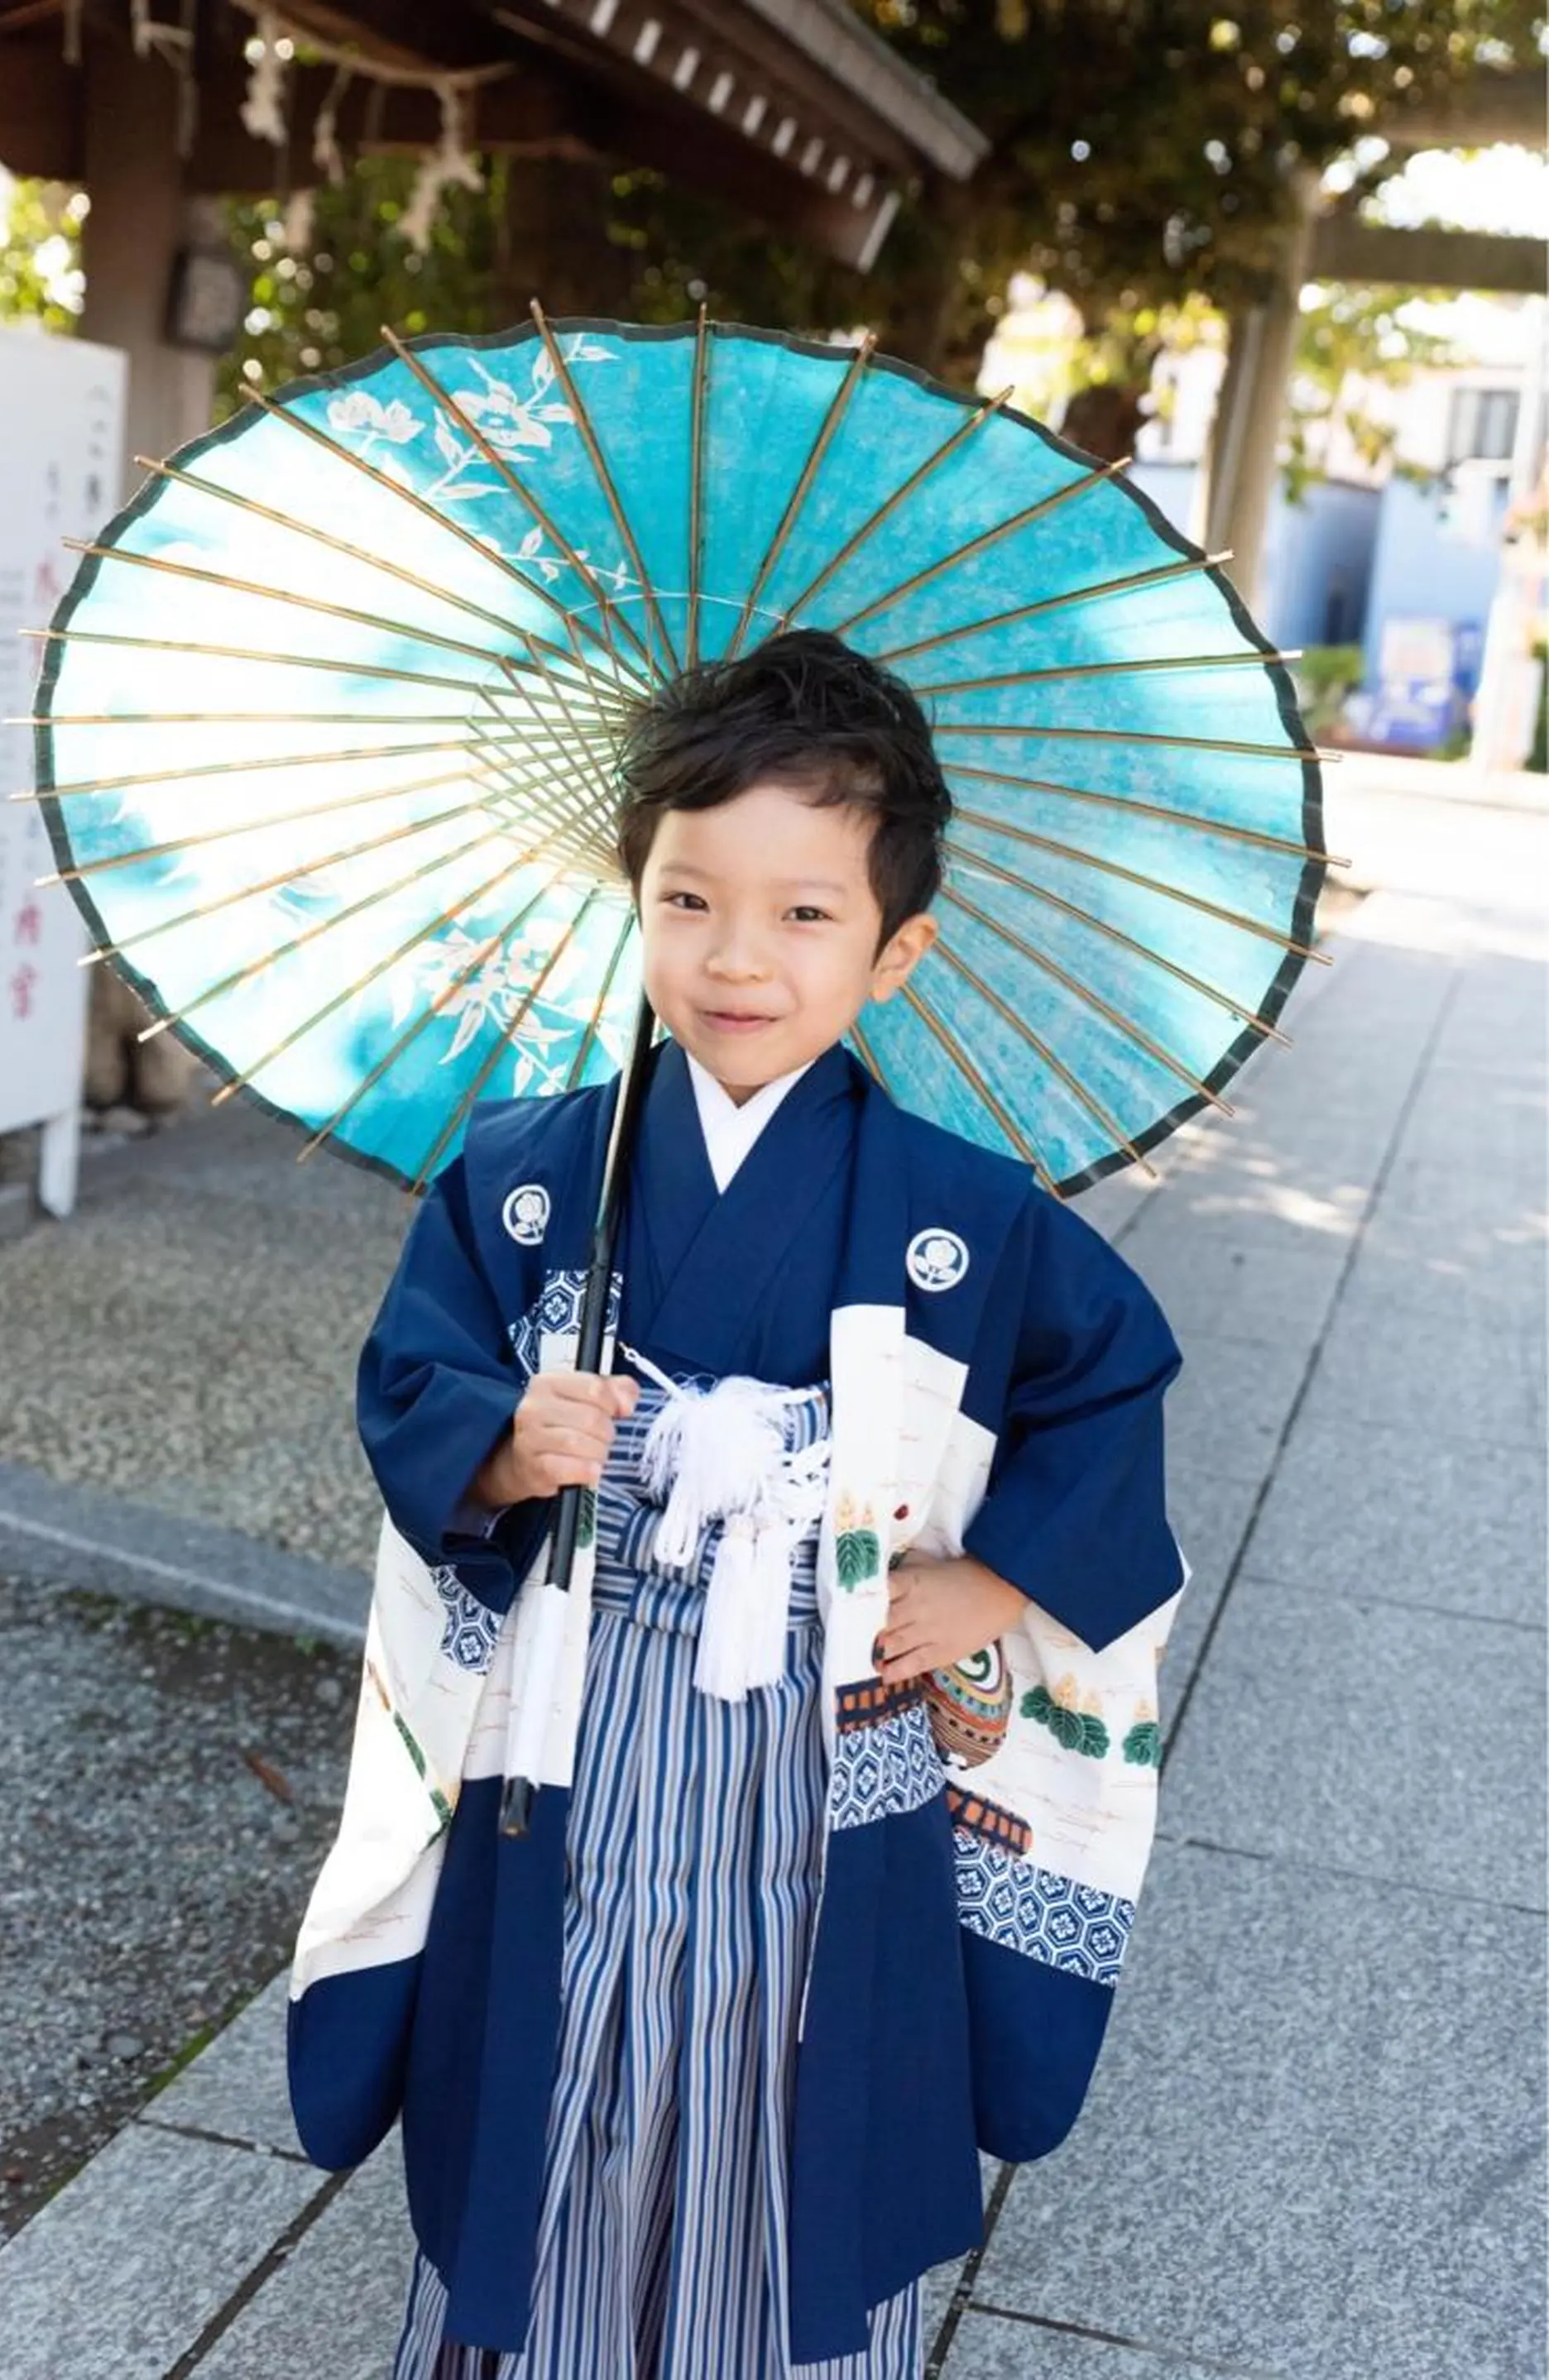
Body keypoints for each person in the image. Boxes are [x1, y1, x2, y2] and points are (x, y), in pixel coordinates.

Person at [286, 628, 1190, 2380]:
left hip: (827, 1737)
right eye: (690, 901)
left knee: (787, 2104)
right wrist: (503, 1438)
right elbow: (414, 1376)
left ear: (897, 946)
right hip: (579, 1725)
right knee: (552, 2085)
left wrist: (997, 1578)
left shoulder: (965, 1213)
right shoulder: (527, 1176)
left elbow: (1113, 1386)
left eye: (803, 914)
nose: (736, 958)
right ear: (633, 892)